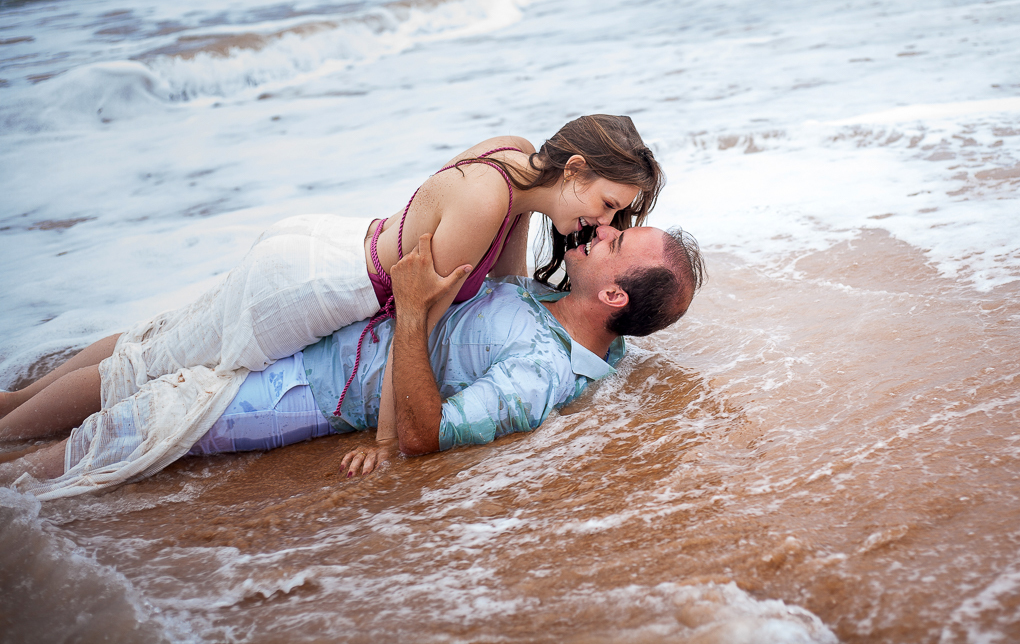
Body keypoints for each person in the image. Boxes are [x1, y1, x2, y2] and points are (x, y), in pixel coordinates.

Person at [0, 115, 664, 461]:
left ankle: (15, 401)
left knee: (166, 336)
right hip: (313, 289)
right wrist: (382, 443)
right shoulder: (487, 205)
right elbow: (422, 327)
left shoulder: (512, 163)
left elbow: (503, 283)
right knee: (151, 366)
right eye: (607, 204)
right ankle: (12, 425)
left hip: (327, 247)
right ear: (576, 169)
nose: (604, 223)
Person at [6, 225, 705, 498]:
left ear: (612, 293)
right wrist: (520, 202)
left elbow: (425, 436)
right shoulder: (562, 308)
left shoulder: (542, 376)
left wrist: (408, 309)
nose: (604, 230)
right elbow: (497, 294)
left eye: (618, 241)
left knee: (138, 424)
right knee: (141, 356)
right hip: (329, 332)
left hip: (310, 391)